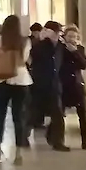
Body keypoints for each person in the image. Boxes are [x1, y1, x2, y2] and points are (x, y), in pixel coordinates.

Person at [0, 14, 32, 164]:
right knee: (18, 116)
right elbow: (24, 60)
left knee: (1, 113)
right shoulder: (25, 41)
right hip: (21, 80)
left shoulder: (1, 38)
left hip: (3, 79)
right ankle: (18, 153)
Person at [31, 20, 69, 151]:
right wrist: (44, 40)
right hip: (40, 84)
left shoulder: (61, 46)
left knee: (57, 114)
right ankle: (22, 137)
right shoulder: (39, 45)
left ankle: (57, 141)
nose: (58, 35)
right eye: (56, 32)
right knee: (33, 113)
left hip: (55, 85)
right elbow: (34, 58)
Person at [60, 24, 86, 150]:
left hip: (77, 85)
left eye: (75, 36)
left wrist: (75, 52)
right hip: (64, 85)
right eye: (70, 36)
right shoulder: (61, 49)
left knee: (83, 114)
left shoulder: (79, 49)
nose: (72, 39)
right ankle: (58, 140)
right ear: (65, 37)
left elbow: (85, 65)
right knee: (59, 114)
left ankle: (85, 141)